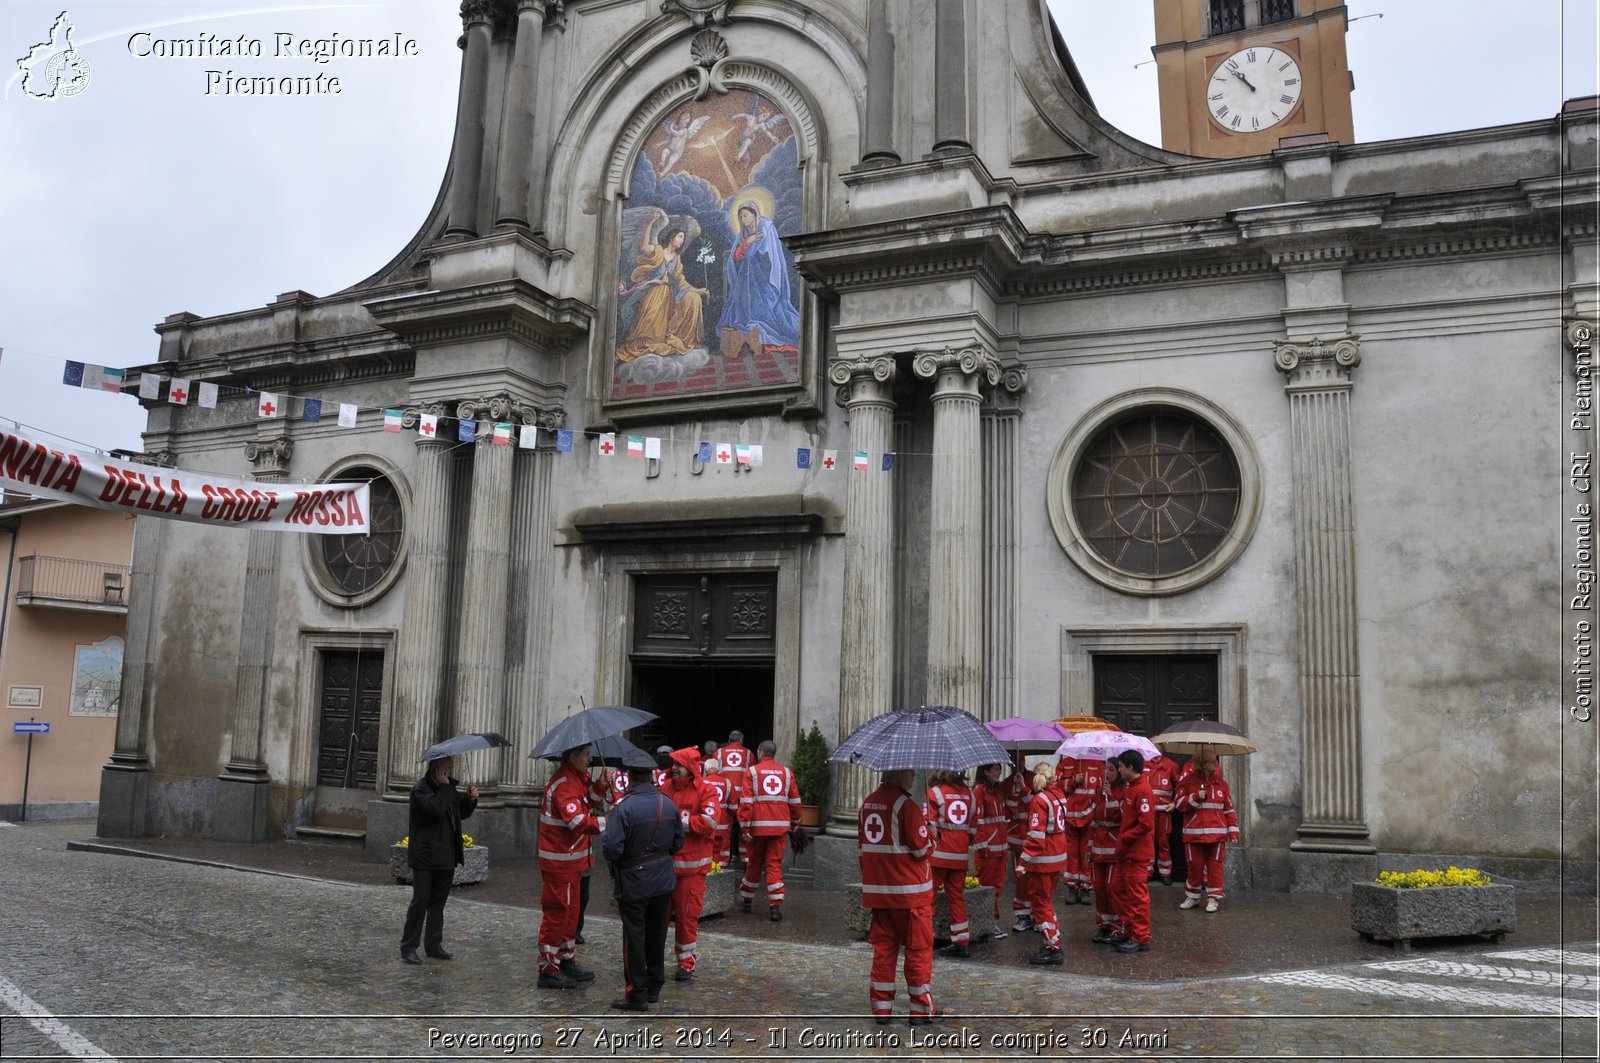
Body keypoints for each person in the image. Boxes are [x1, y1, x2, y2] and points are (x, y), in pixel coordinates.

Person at [858, 768, 942, 1026]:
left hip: (879, 894)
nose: (914, 778)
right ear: (901, 775)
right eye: (911, 774)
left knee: (883, 950)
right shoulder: (907, 806)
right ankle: (920, 1010)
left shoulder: (866, 804)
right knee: (918, 951)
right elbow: (921, 849)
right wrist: (933, 836)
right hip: (910, 896)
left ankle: (881, 1009)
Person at [602, 750, 685, 1011]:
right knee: (657, 934)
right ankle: (654, 987)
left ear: (629, 777)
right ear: (650, 776)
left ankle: (636, 993)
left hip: (634, 882)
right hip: (663, 880)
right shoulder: (669, 803)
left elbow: (613, 849)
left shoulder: (623, 807)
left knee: (634, 937)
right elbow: (678, 842)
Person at [536, 744, 611, 988]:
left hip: (572, 862)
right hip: (560, 863)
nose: (590, 759)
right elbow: (577, 821)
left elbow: (587, 802)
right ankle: (548, 968)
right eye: (586, 755)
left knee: (570, 913)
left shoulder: (576, 779)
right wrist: (610, 822)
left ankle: (566, 959)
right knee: (557, 914)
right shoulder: (565, 783)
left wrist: (599, 786)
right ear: (573, 756)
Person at [399, 756, 478, 965]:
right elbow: (436, 809)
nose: (451, 772)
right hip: (425, 857)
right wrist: (445, 788)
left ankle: (433, 945)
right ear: (437, 769)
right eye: (447, 768)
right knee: (420, 901)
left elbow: (459, 812)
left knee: (438, 903)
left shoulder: (448, 788)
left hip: (446, 856)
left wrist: (470, 800)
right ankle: (408, 947)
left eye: (451, 768)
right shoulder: (421, 789)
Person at [615, 210, 709, 363]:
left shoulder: (677, 259)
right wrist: (649, 223)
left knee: (693, 299)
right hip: (653, 291)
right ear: (672, 237)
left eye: (683, 238)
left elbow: (680, 282)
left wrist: (697, 290)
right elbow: (644, 246)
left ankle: (687, 339)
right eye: (680, 237)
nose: (682, 241)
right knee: (652, 311)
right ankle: (642, 342)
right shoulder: (658, 250)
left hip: (669, 294)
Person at [664, 747, 721, 981]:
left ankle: (685, 962)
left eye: (678, 764)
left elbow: (709, 821)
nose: (674, 768)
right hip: (664, 868)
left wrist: (676, 821)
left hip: (691, 871)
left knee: (687, 919)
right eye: (673, 764)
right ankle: (652, 962)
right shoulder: (666, 787)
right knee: (658, 918)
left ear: (690, 767)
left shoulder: (706, 791)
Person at [717, 202, 801, 353]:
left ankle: (766, 337)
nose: (743, 219)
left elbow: (767, 255)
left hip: (764, 279)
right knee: (743, 306)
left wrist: (749, 249)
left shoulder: (766, 228)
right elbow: (736, 257)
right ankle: (752, 337)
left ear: (755, 214)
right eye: (740, 217)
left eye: (745, 215)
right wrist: (747, 243)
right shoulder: (744, 236)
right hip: (747, 280)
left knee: (768, 307)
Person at [737, 739, 801, 920]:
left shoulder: (752, 772)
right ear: (774, 754)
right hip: (779, 828)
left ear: (760, 753)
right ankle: (775, 907)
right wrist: (796, 822)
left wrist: (745, 827)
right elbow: (795, 801)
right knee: (774, 865)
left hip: (757, 828)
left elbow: (746, 802)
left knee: (754, 862)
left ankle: (747, 899)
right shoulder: (787, 773)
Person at [1172, 752, 1239, 912]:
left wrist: (1233, 831)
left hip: (1217, 835)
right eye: (1212, 761)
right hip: (1193, 834)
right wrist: (1195, 797)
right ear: (1202, 763)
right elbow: (1179, 805)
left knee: (1215, 868)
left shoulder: (1221, 783)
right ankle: (1193, 897)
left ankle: (1213, 898)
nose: (1216, 764)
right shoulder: (1187, 782)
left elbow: (1228, 809)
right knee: (1194, 867)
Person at [1019, 762, 1070, 965]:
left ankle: (1052, 945)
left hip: (1042, 859)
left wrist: (1023, 861)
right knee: (1046, 900)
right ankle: (1051, 941)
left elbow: (1036, 836)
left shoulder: (1040, 800)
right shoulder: (1059, 796)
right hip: (1057, 855)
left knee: (1041, 903)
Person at [924, 769, 976, 957]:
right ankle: (961, 942)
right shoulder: (970, 795)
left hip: (939, 854)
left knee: (928, 898)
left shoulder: (935, 793)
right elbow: (972, 829)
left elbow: (928, 825)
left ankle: (925, 939)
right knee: (957, 898)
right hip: (960, 856)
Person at [1111, 750, 1157, 953]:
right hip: (1126, 853)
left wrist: (1125, 838)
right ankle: (1129, 929)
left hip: (1136, 854)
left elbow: (1145, 824)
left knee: (1137, 897)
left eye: (1120, 766)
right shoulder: (1131, 788)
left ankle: (1141, 937)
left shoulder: (1143, 790)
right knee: (1117, 890)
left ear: (1130, 767)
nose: (1118, 769)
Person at [1087, 758, 1126, 944]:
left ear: (1118, 772)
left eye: (1111, 770)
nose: (1107, 773)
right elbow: (1093, 815)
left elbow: (1120, 816)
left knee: (1112, 888)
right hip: (1098, 846)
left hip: (1113, 846)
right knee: (1099, 887)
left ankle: (1117, 924)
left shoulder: (1122, 791)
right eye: (1106, 769)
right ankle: (1104, 924)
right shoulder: (1099, 790)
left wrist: (1110, 796)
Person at [972, 763, 1011, 940]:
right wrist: (981, 845)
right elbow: (976, 820)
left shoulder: (998, 789)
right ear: (986, 772)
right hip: (988, 849)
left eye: (999, 769)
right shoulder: (979, 791)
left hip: (1000, 847)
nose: (999, 772)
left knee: (997, 887)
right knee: (987, 888)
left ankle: (990, 922)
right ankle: (988, 922)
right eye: (996, 769)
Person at [1060, 754, 1103, 905]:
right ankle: (1072, 888)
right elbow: (1057, 787)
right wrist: (1073, 782)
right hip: (1069, 819)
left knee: (1086, 854)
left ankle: (1086, 888)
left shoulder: (1097, 764)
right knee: (1071, 854)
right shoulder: (1065, 763)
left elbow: (1100, 792)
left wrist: (1093, 813)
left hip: (1089, 819)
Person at [1001, 756, 1032, 931]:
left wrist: (1023, 787)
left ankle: (1038, 914)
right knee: (1020, 881)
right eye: (1013, 760)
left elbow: (1034, 804)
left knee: (1034, 880)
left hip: (1030, 836)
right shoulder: (1006, 783)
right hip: (1015, 837)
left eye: (1019, 760)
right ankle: (1023, 915)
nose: (1016, 763)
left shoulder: (1033, 778)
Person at [1144, 751, 1179, 884]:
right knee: (1147, 841)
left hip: (1164, 811)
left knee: (1163, 842)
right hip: (1147, 811)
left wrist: (1175, 804)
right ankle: (1147, 871)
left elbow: (1180, 787)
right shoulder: (1142, 764)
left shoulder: (1171, 765)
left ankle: (1166, 873)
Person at [719, 730, 752, 864]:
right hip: (743, 797)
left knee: (725, 828)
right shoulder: (749, 753)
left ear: (729, 740)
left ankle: (723, 861)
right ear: (741, 741)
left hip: (725, 796)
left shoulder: (719, 753)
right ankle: (745, 858)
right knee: (744, 827)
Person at [702, 757, 733, 864]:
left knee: (707, 844)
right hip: (723, 820)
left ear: (705, 770)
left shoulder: (701, 782)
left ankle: (709, 866)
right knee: (722, 845)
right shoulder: (727, 783)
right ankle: (723, 865)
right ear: (718, 769)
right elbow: (732, 805)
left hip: (707, 820)